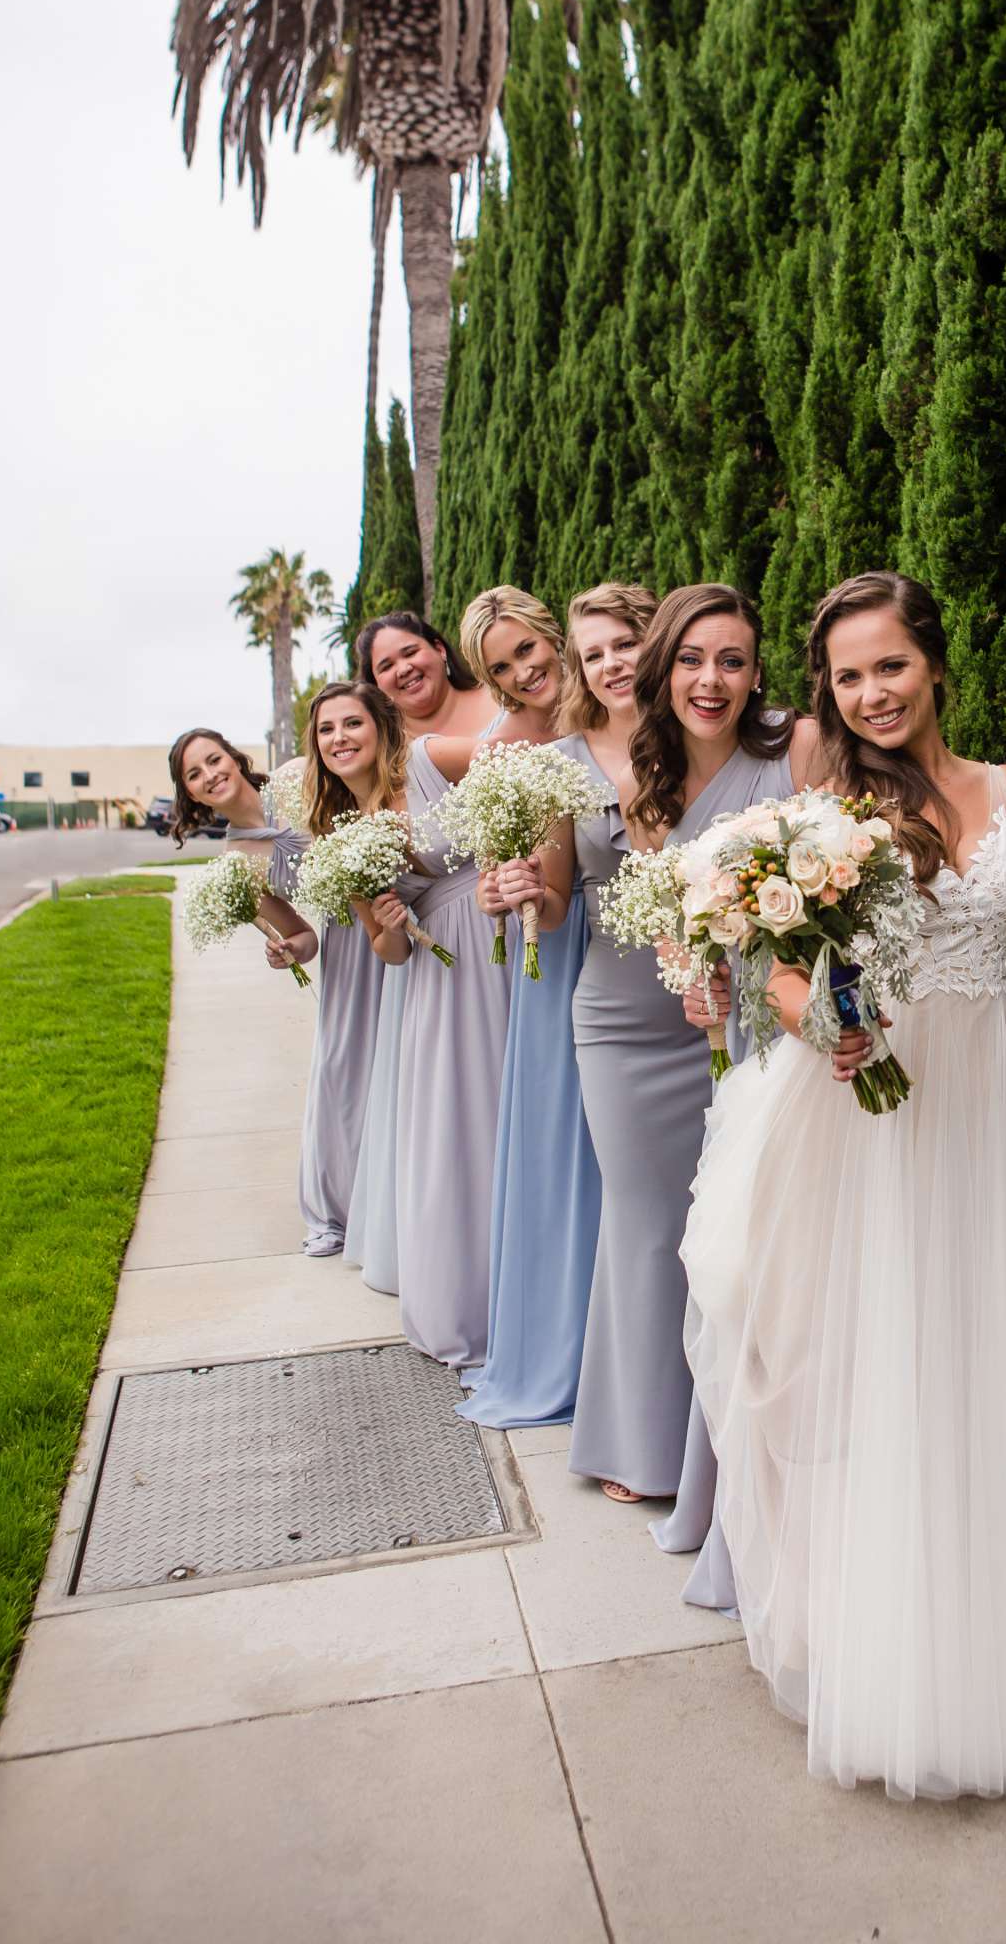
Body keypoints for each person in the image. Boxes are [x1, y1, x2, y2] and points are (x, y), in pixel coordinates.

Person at [681, 571, 1006, 1807]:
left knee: (996, 1379)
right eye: (848, 675)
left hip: (995, 1120)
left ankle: (996, 1681)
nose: (870, 693)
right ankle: (889, 1674)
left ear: (933, 661)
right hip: (884, 1115)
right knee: (890, 1378)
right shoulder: (824, 807)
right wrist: (825, 1025)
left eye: (890, 666)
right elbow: (767, 958)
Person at [540, 584, 817, 1536]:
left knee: (742, 1225)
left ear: (755, 671)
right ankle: (643, 1439)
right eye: (692, 660)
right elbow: (652, 902)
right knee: (650, 1219)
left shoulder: (796, 749)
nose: (712, 679)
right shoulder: (635, 764)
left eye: (733, 661)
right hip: (628, 1026)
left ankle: (735, 1439)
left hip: (754, 1023)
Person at [457, 586, 627, 1431]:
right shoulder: (506, 753)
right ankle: (569, 1344)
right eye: (502, 666)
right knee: (569, 1139)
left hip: (647, 936)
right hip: (560, 950)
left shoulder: (621, 701)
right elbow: (503, 876)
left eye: (528, 649)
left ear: (551, 636)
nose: (525, 671)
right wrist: (500, 886)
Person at [357, 612, 512, 1371]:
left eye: (409, 651)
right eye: (384, 665)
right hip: (457, 965)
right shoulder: (397, 766)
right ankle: (474, 1302)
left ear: (439, 649)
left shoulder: (506, 701)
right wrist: (385, 918)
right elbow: (384, 943)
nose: (402, 670)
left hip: (537, 929)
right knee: (468, 1124)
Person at [295, 683, 412, 1271]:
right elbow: (385, 950)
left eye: (351, 724)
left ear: (380, 727)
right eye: (326, 730)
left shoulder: (421, 780)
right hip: (424, 971)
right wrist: (392, 925)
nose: (339, 738)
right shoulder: (340, 836)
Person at [168, 727, 317, 984]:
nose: (210, 775)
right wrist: (291, 949)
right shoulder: (237, 869)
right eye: (194, 774)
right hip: (349, 941)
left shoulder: (299, 775)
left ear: (235, 759)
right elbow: (305, 937)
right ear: (191, 793)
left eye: (214, 760)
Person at [356, 610, 497, 740]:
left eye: (411, 653)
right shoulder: (389, 756)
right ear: (375, 685)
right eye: (387, 666)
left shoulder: (502, 696)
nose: (403, 669)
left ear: (439, 649)